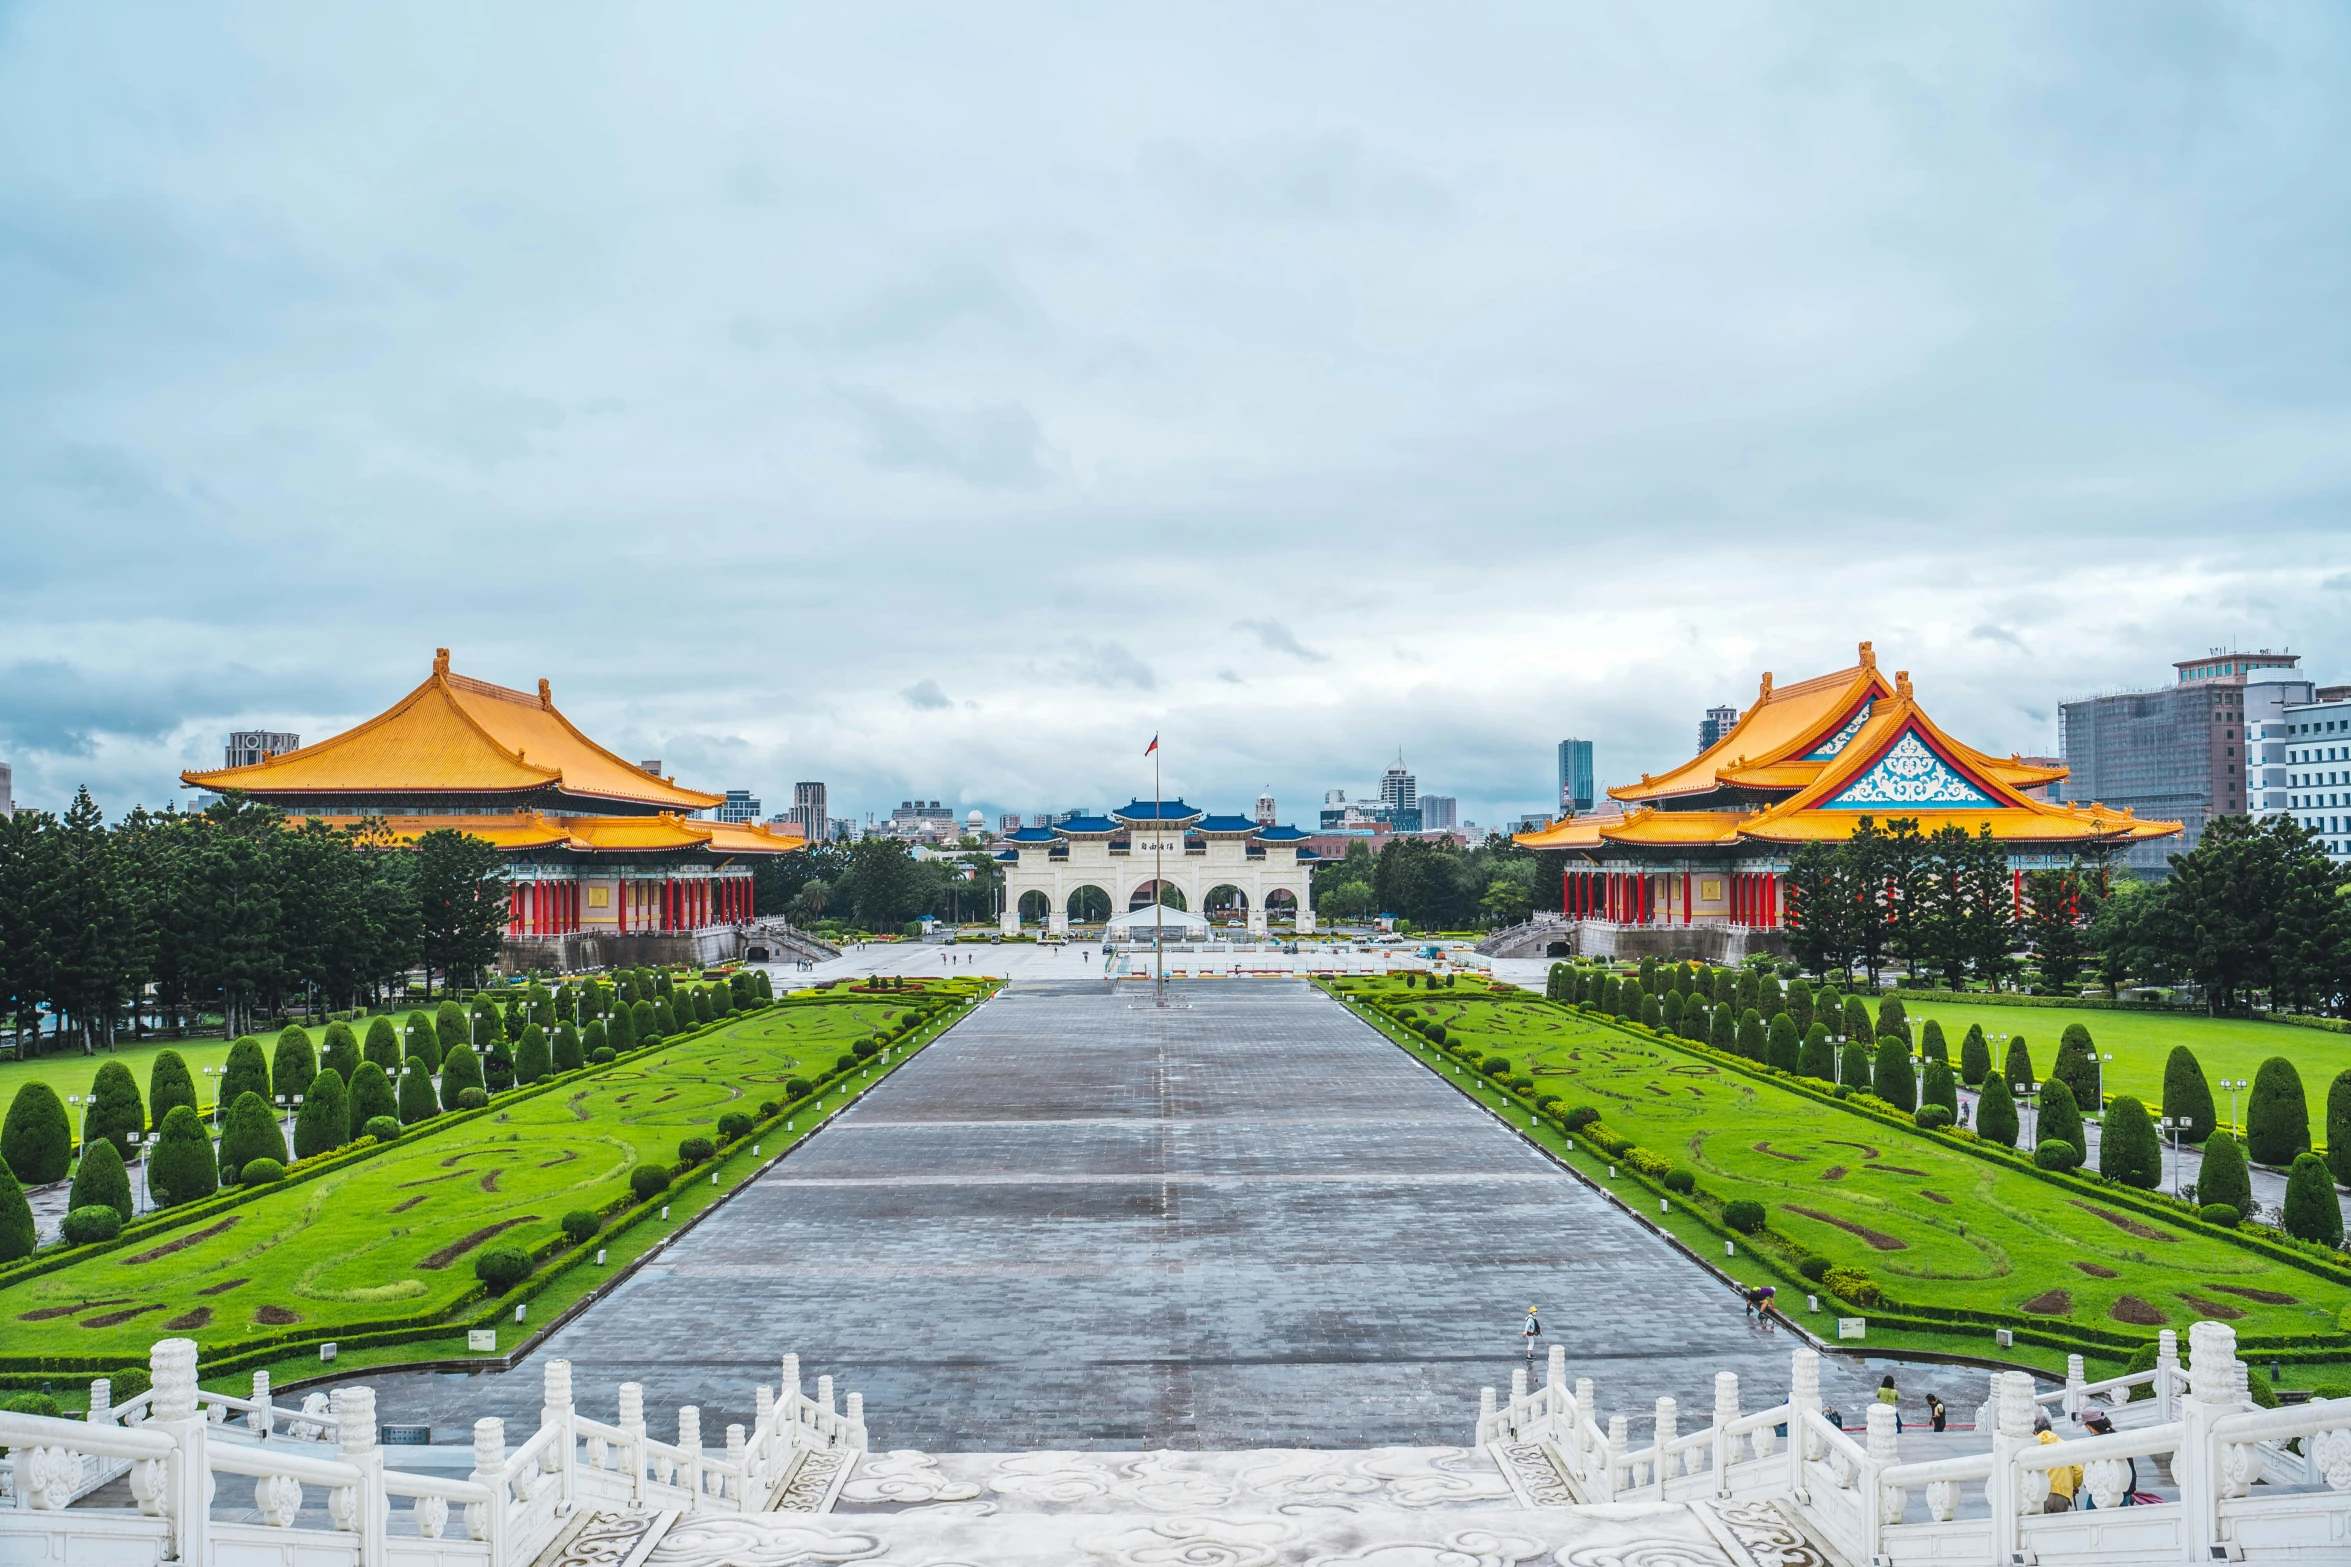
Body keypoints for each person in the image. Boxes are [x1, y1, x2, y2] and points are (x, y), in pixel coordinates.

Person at [2079, 1410, 2135, 1506]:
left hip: (2101, 1493)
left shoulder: (2093, 1444)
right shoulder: (2119, 1438)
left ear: (2089, 1427)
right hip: (2124, 1492)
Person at [2032, 1414, 2079, 1511]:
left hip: (2042, 1493)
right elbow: (2079, 1470)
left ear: (2035, 1431)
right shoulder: (2065, 1444)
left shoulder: (2033, 1447)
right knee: (2059, 1525)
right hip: (2063, 1494)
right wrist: (2074, 1486)